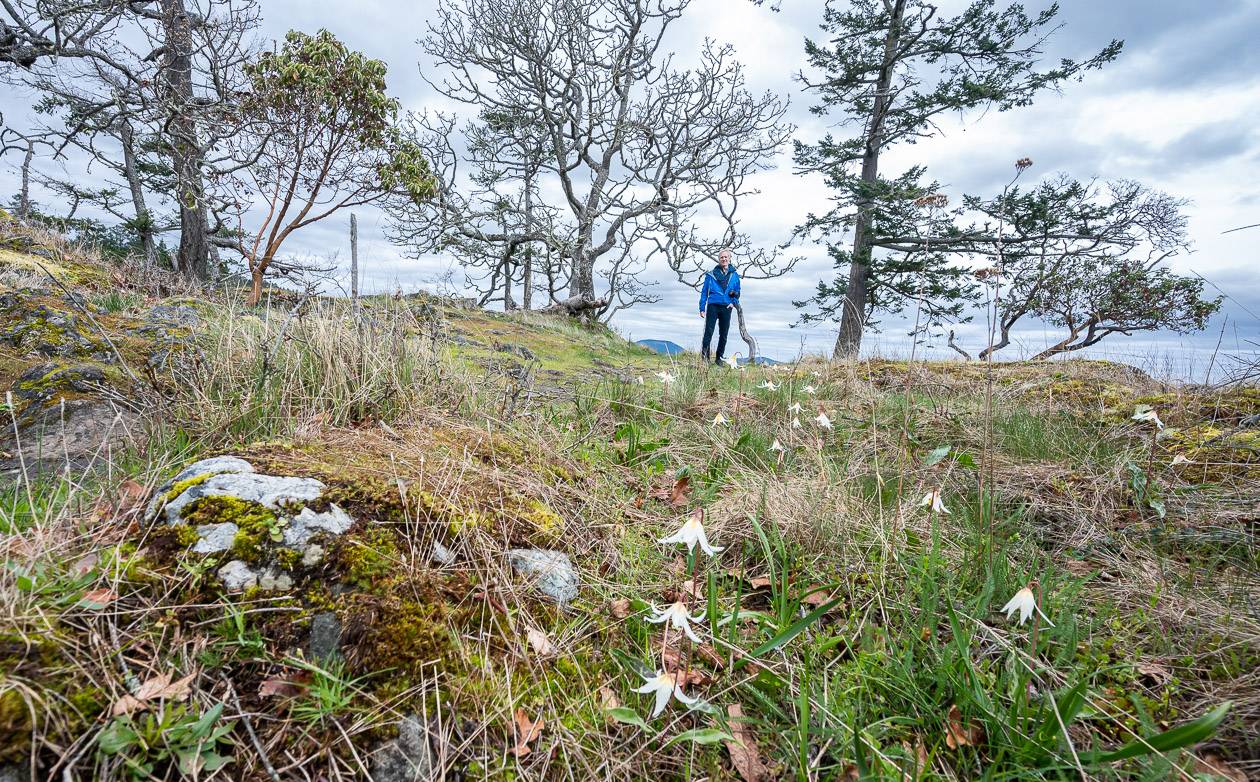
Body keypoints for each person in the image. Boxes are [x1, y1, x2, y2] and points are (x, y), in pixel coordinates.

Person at [698, 248, 741, 365]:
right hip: (713, 305)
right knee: (708, 332)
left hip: (727, 307)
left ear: (729, 259)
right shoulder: (710, 275)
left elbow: (738, 291)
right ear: (719, 259)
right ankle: (705, 358)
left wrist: (734, 302)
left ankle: (719, 358)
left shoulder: (735, 275)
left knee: (724, 334)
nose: (724, 259)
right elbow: (704, 292)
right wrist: (702, 308)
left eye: (726, 257)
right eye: (722, 257)